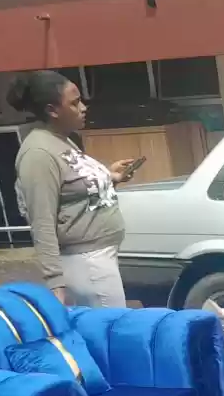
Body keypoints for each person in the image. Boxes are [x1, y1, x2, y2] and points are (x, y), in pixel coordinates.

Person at [8, 70, 137, 307]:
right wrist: (55, 281)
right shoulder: (38, 154)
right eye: (75, 103)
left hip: (99, 258)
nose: (84, 108)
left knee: (109, 324)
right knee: (111, 326)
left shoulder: (62, 139)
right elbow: (41, 221)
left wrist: (110, 177)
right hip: (86, 263)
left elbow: (74, 190)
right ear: (52, 110)